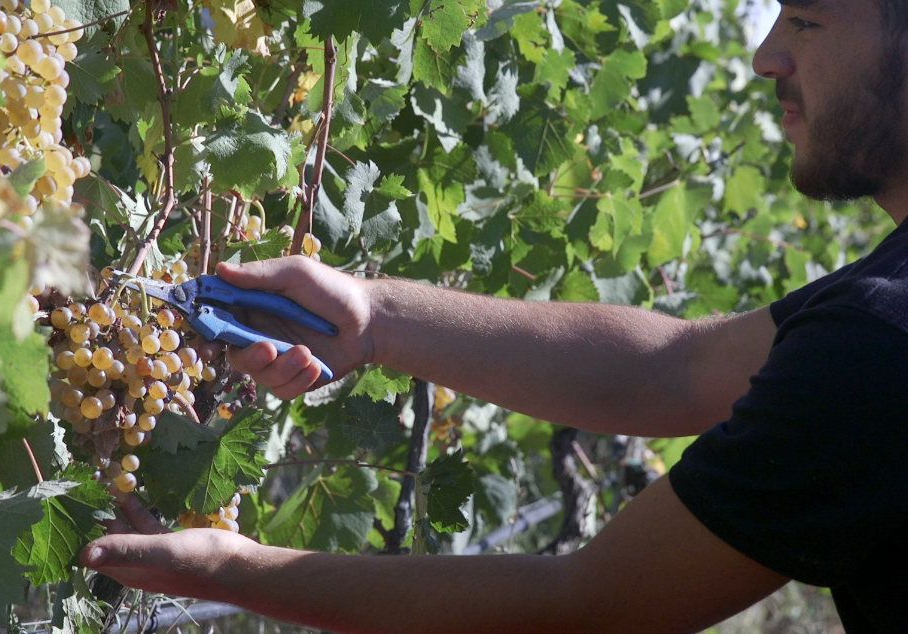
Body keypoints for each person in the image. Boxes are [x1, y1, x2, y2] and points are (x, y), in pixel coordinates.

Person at [81, 1, 908, 631]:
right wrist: (377, 316)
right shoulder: (878, 308)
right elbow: (678, 369)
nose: (766, 56)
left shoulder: (879, 345)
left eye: (807, 19)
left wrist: (230, 569)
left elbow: (590, 606)